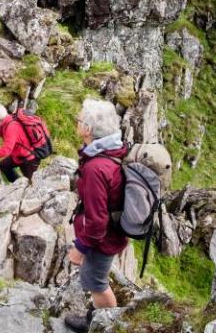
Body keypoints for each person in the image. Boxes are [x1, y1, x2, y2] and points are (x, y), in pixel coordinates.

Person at [64, 99, 131, 333]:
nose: (77, 122)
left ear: (89, 130)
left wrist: (80, 247)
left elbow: (97, 221)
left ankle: (106, 325)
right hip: (111, 234)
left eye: (79, 120)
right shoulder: (112, 151)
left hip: (103, 239)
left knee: (95, 282)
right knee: (95, 278)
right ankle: (97, 319)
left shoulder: (96, 168)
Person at [0, 105, 42, 182]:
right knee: (3, 166)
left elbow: (5, 151)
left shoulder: (11, 127)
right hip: (18, 155)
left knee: (30, 183)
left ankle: (21, 187)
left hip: (30, 159)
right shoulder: (6, 120)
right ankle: (16, 184)